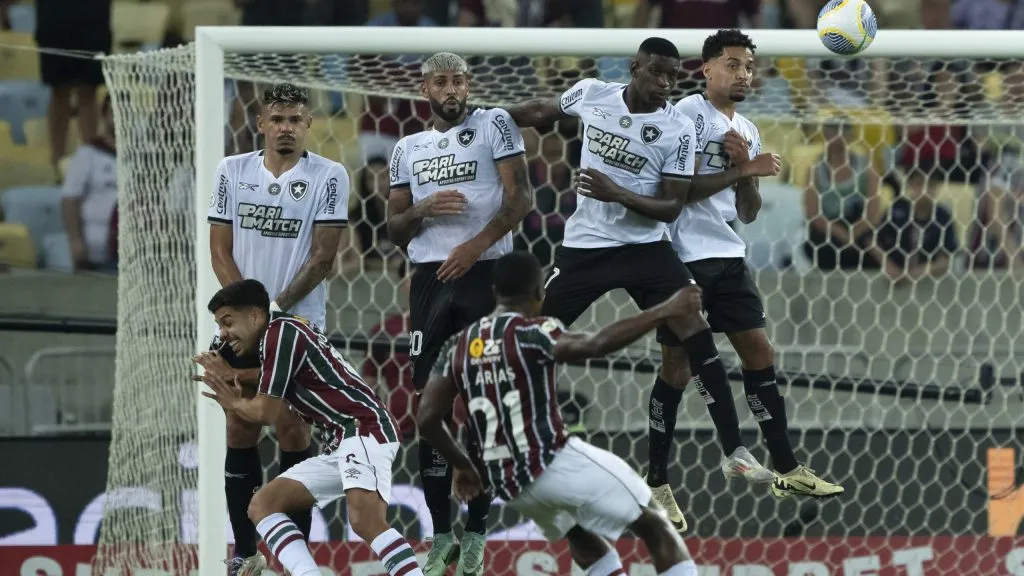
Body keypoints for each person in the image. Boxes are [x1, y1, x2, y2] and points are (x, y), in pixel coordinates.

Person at [506, 37, 781, 532]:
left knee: (692, 324)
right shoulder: (593, 93)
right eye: (656, 73)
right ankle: (499, 424)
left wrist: (617, 191)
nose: (664, 84)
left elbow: (672, 206)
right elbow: (541, 110)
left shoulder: (676, 126)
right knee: (530, 332)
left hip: (646, 250)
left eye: (673, 77)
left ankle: (734, 449)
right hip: (586, 249)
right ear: (634, 68)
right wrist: (486, 119)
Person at [417, 251, 703, 576]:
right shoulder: (532, 331)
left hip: (508, 483)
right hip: (551, 461)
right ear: (540, 293)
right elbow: (594, 345)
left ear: (494, 291)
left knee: (580, 533)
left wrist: (463, 464)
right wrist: (665, 310)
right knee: (653, 522)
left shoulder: (458, 345)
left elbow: (426, 418)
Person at [671, 29, 844, 499]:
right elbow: (676, 192)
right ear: (706, 68)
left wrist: (746, 168)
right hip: (683, 253)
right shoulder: (685, 115)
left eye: (748, 66)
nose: (743, 73)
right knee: (678, 365)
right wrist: (743, 169)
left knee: (760, 353)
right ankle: (671, 476)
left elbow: (747, 210)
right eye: (732, 63)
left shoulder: (746, 129)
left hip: (727, 252)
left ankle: (787, 469)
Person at [386, 51, 532, 575]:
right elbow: (394, 229)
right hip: (429, 281)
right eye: (441, 82)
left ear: (468, 85)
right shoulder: (408, 148)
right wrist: (421, 210)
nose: (451, 90)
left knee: (483, 400)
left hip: (483, 272)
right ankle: (440, 532)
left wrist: (475, 246)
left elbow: (520, 201)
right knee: (430, 407)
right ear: (425, 89)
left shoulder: (494, 123)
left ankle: (476, 532)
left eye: (458, 81)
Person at [198, 82, 348, 576]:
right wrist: (246, 318)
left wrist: (273, 314)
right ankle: (244, 553)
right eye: (277, 118)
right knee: (239, 426)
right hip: (245, 327)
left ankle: (293, 559)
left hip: (300, 326)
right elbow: (220, 250)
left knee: (291, 426)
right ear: (260, 123)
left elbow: (323, 257)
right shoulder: (231, 171)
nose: (286, 127)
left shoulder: (329, 176)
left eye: (295, 119)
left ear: (308, 126)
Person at [197, 279, 424, 576]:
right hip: (340, 442)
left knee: (365, 521)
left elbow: (266, 412)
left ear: (254, 315)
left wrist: (232, 398)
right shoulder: (278, 336)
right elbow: (265, 376)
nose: (224, 333)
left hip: (364, 428)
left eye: (228, 322)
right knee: (263, 505)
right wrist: (231, 376)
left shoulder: (283, 334)